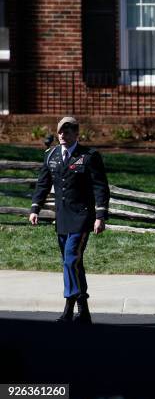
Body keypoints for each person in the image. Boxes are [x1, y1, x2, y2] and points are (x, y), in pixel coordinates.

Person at [29, 117, 110, 325]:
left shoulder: (88, 156)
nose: (62, 135)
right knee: (74, 264)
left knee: (70, 260)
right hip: (62, 217)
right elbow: (43, 184)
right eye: (60, 132)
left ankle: (70, 304)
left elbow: (100, 187)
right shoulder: (52, 156)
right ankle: (83, 311)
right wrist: (35, 208)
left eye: (67, 132)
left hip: (82, 217)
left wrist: (100, 216)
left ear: (76, 134)